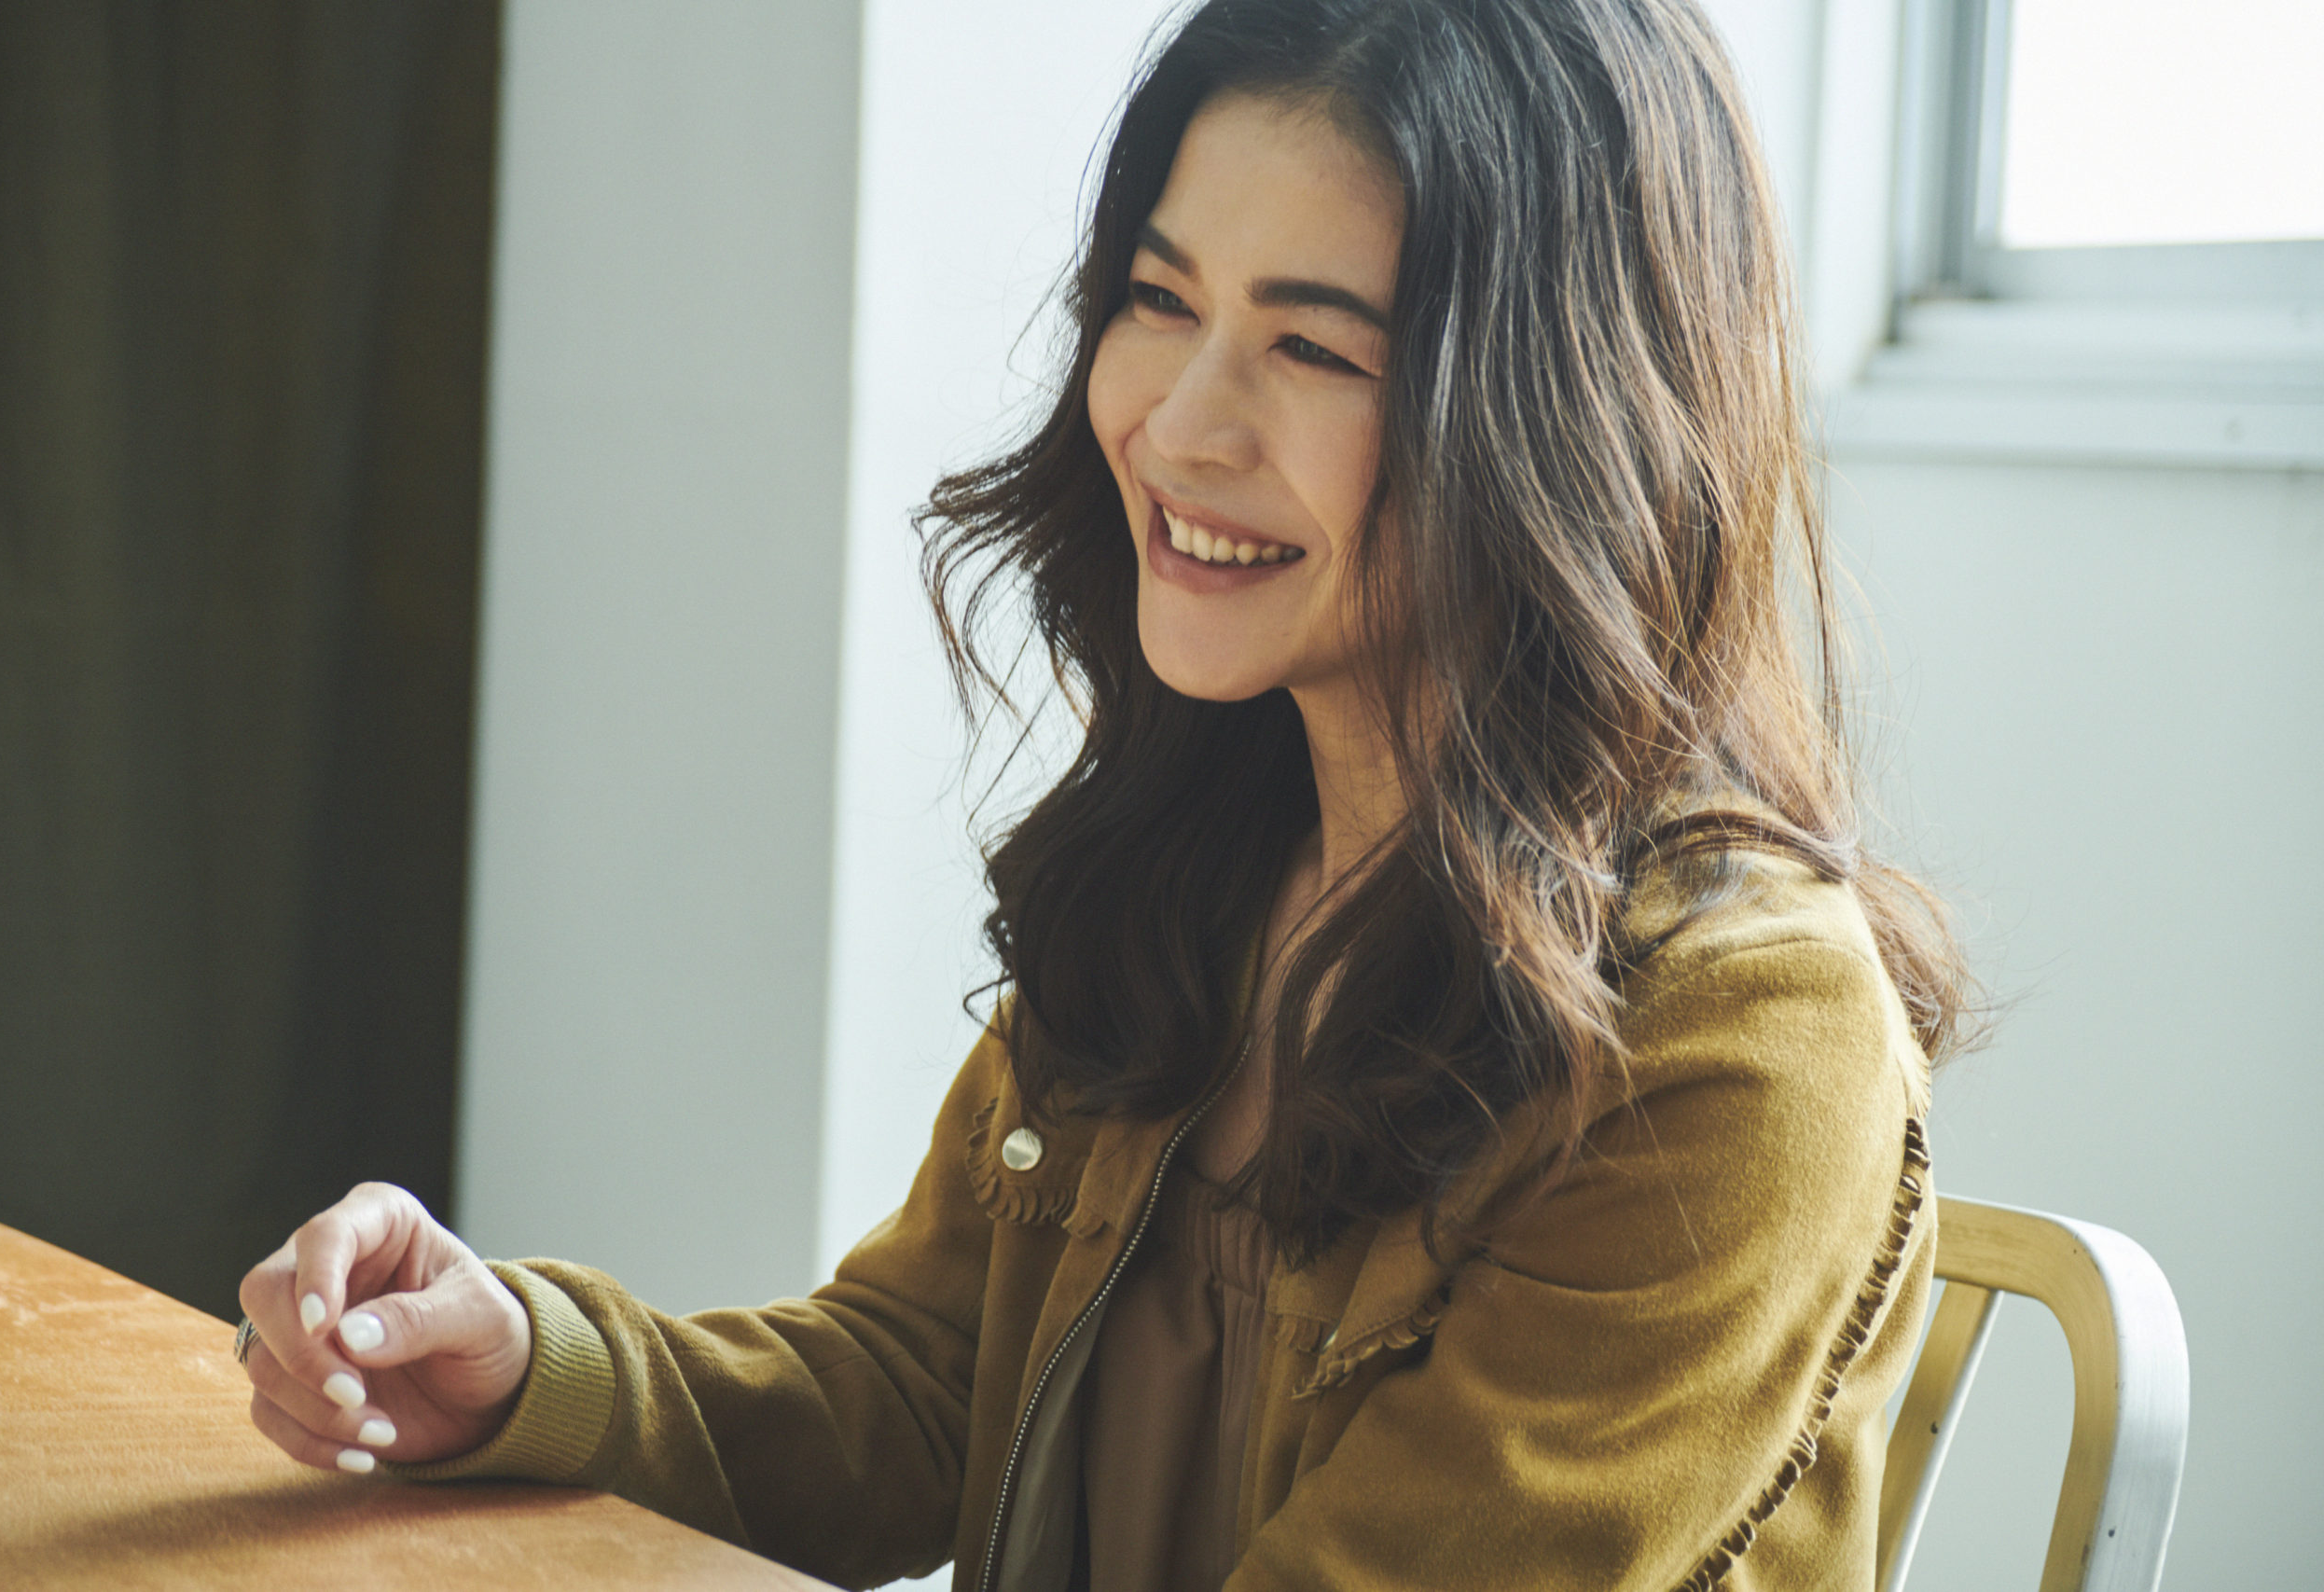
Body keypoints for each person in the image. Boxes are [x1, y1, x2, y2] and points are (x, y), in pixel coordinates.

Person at [237, 1, 1970, 1587]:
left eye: (1313, 349)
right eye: (1161, 301)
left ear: (1558, 419)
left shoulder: (1750, 1039)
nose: (1174, 423)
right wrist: (530, 1373)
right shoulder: (1203, 857)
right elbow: (926, 1388)